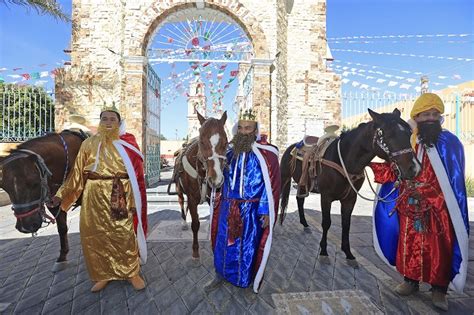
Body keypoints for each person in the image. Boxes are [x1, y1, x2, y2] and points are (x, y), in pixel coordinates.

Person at [371, 93, 469, 311]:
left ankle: (438, 290)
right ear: (417, 116)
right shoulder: (408, 139)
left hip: (438, 206)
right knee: (409, 243)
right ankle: (410, 281)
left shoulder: (450, 143)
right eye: (426, 114)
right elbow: (398, 165)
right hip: (410, 205)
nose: (431, 118)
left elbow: (454, 182)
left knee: (438, 247)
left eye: (435, 114)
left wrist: (434, 195)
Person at [50, 104, 148, 293]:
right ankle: (104, 274)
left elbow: (137, 175)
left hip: (120, 192)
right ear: (100, 121)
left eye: (113, 119)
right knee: (96, 236)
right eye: (105, 118)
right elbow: (77, 174)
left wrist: (135, 201)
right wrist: (60, 195)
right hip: (93, 195)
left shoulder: (127, 142)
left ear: (119, 123)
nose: (109, 122)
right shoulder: (88, 144)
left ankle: (131, 273)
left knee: (123, 234)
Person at [205, 108, 281, 293]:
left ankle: (243, 279)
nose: (244, 132)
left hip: (251, 210)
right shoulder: (229, 153)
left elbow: (271, 185)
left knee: (246, 246)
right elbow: (218, 175)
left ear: (255, 130)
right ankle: (220, 274)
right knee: (223, 243)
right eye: (241, 128)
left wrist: (265, 210)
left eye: (248, 128)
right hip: (227, 207)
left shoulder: (267, 154)